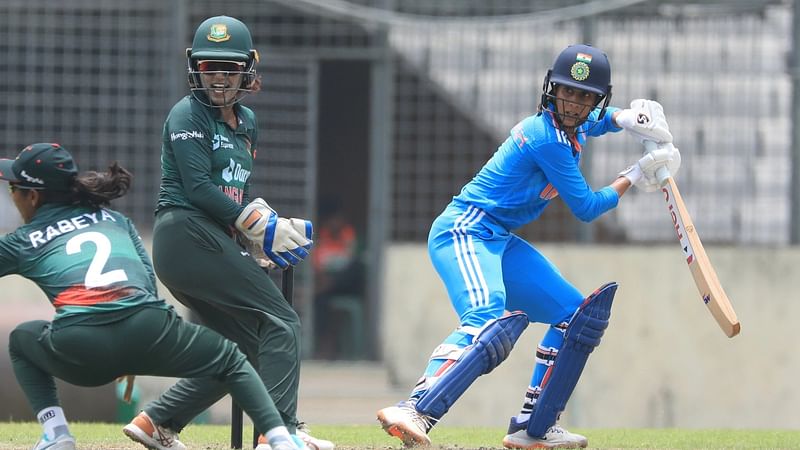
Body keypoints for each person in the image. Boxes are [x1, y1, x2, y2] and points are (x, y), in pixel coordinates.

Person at [376, 44, 681, 449]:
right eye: (567, 92)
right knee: (485, 315)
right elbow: (587, 208)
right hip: (465, 232)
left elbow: (598, 122)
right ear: (551, 90)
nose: (573, 103)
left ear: (595, 100)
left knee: (575, 316)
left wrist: (629, 118)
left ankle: (535, 427)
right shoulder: (546, 138)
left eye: (584, 96)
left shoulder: (573, 126)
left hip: (497, 237)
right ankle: (414, 407)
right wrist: (635, 174)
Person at [0, 143, 302, 450]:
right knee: (232, 359)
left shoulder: (23, 240)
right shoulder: (116, 221)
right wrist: (133, 350)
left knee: (23, 339)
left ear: (33, 195)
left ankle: (56, 435)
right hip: (148, 329)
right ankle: (280, 439)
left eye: (13, 188)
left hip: (80, 347)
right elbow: (144, 284)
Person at [126, 15, 334, 450]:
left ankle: (157, 422)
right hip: (184, 234)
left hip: (211, 240)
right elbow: (199, 188)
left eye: (229, 67)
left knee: (245, 348)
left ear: (248, 69)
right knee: (281, 322)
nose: (219, 78)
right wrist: (254, 225)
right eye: (209, 67)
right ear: (195, 69)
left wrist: (252, 236)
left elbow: (233, 192)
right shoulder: (187, 113)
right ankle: (279, 433)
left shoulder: (248, 122)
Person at [311, 197, 364, 359]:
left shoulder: (347, 233)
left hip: (347, 285)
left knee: (355, 266)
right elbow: (318, 263)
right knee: (320, 300)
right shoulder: (323, 235)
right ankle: (325, 345)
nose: (335, 222)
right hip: (327, 286)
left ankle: (328, 285)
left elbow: (350, 258)